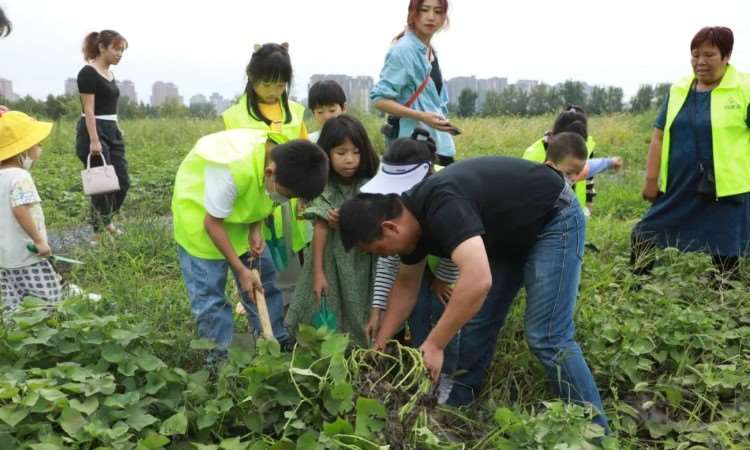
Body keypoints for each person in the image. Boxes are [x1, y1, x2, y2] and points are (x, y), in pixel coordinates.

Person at [338, 133, 608, 429]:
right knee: (478, 321)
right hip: (510, 233)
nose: (384, 256)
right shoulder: (410, 225)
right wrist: (378, 346)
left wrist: (434, 344)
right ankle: (458, 406)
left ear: (389, 228)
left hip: (554, 218)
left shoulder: (442, 204)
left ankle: (596, 430)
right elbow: (405, 287)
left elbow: (478, 280)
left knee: (547, 336)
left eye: (379, 250)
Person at [172, 129, 328, 366]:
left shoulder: (284, 156)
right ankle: (219, 360)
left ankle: (273, 339)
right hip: (202, 223)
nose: (285, 201)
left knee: (264, 281)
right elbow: (212, 224)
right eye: (287, 196)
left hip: (236, 217)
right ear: (270, 173)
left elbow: (263, 196)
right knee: (210, 296)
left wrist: (255, 227)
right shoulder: (233, 169)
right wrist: (240, 269)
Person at [632, 26, 750, 279]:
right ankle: (636, 287)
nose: (700, 62)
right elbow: (658, 135)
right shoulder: (679, 89)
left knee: (725, 253)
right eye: (695, 55)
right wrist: (651, 181)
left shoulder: (744, 88)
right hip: (681, 184)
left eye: (709, 55)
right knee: (645, 233)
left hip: (726, 189)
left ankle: (724, 308)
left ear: (726, 56)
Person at [361, 128, 460, 404]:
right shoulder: (393, 198)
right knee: (416, 311)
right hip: (419, 261)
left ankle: (448, 376)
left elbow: (458, 244)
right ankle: (422, 372)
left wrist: (443, 278)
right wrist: (378, 307)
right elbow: (390, 262)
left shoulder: (443, 192)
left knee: (443, 313)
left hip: (451, 264)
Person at [222, 43, 311, 320]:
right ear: (250, 76)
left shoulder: (294, 111)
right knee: (259, 253)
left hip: (289, 195)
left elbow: (305, 150)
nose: (273, 92)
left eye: (280, 85)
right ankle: (262, 313)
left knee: (291, 252)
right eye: (267, 84)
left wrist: (305, 196)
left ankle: (291, 310)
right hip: (254, 195)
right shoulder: (235, 116)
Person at [286, 115, 379, 346]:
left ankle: (363, 348)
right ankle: (325, 347)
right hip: (330, 258)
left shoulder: (370, 182)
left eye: (356, 152)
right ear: (326, 153)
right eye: (341, 153)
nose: (350, 160)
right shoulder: (324, 185)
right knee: (326, 301)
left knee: (360, 301)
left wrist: (352, 221)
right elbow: (320, 227)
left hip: (363, 258)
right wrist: (318, 273)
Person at [371, 0, 457, 166]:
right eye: (425, 10)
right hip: (411, 148)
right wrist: (422, 116)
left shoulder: (429, 51)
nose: (431, 17)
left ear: (444, 17)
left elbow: (435, 103)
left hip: (438, 145)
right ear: (413, 13)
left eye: (438, 11)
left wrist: (439, 120)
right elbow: (379, 99)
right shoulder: (403, 50)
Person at [0, 111, 62, 316]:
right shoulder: (20, 177)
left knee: (11, 304)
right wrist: (39, 241)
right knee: (48, 298)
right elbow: (20, 209)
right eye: (37, 145)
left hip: (4, 256)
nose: (39, 149)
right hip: (29, 254)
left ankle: (17, 338)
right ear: (23, 151)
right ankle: (46, 335)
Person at [75, 30, 130, 244]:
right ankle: (99, 234)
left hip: (111, 130)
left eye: (122, 50)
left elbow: (109, 107)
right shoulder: (88, 72)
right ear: (102, 48)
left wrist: (116, 126)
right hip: (92, 131)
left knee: (122, 182)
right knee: (101, 185)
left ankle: (106, 222)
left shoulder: (109, 73)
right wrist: (94, 139)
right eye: (116, 49)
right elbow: (89, 110)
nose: (119, 54)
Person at [523, 106, 623, 215]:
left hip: (574, 211)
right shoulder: (533, 156)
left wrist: (588, 204)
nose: (575, 177)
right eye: (570, 172)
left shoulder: (583, 146)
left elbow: (589, 170)